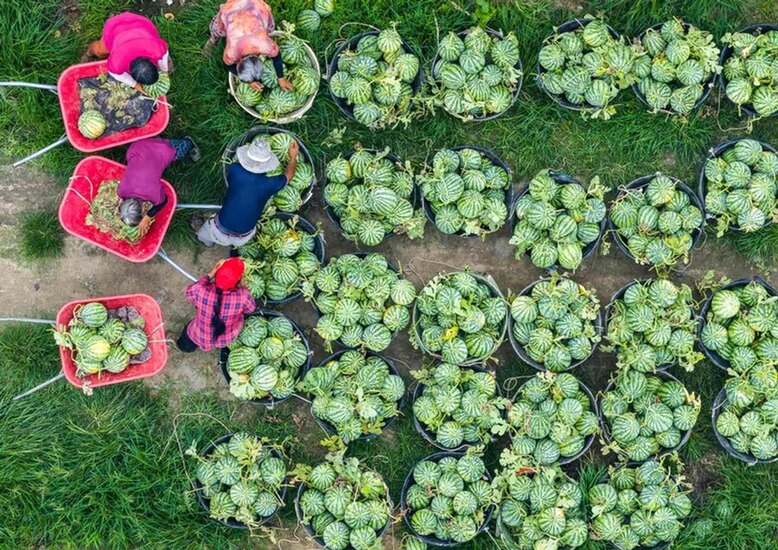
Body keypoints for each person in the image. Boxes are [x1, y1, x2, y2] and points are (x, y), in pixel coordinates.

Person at [197, 138, 298, 247]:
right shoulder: (269, 184)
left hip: (219, 228)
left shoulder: (234, 169)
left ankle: (206, 243)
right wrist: (292, 158)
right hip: (244, 235)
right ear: (268, 166)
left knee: (204, 235)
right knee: (239, 236)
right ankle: (231, 243)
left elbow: (239, 166)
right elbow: (289, 176)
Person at [118, 137, 201, 237]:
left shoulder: (153, 195)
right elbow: (123, 197)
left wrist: (148, 216)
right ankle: (149, 140)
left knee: (178, 151)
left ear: (144, 207)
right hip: (135, 147)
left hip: (160, 149)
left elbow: (164, 201)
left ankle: (188, 143)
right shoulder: (121, 191)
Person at [204, 0, 294, 92]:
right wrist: (249, 81)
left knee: (267, 27)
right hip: (236, 8)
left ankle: (217, 36)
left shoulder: (266, 45)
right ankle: (213, 39)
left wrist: (281, 79)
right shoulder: (231, 53)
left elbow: (277, 57)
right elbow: (228, 66)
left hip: (256, 6)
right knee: (218, 29)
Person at [177, 258, 256, 353]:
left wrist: (211, 273)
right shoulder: (242, 296)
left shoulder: (201, 290)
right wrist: (244, 287)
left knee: (190, 336)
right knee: (240, 316)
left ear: (216, 274)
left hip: (198, 334)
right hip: (224, 340)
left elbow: (189, 293)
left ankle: (185, 348)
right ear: (238, 280)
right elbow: (250, 309)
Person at [84, 12, 170, 92]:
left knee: (159, 50)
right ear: (130, 73)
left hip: (141, 24)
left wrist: (164, 71)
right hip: (115, 28)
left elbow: (163, 57)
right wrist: (136, 85)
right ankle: (89, 53)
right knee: (99, 50)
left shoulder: (158, 50)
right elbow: (119, 76)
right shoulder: (117, 63)